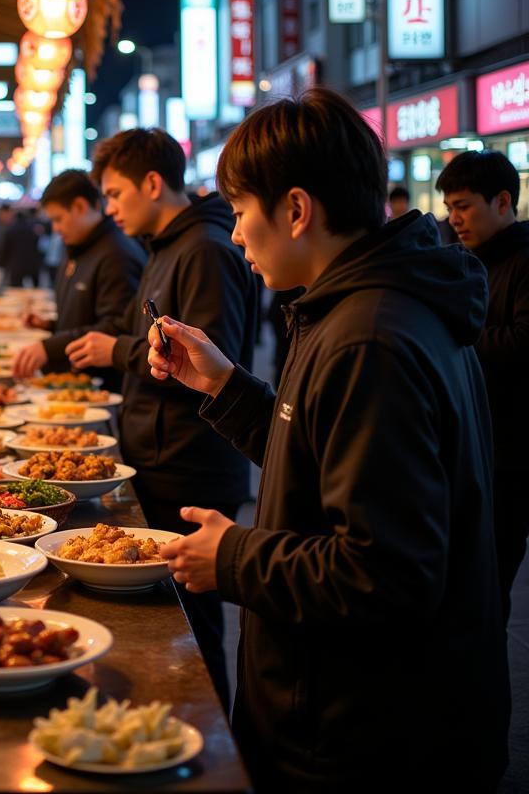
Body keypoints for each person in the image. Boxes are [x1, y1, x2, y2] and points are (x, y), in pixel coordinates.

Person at [146, 89, 509, 792]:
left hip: (369, 739)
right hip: (369, 717)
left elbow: (387, 574)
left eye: (242, 213)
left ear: (297, 210)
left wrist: (235, 555)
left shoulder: (372, 335)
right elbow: (325, 457)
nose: (236, 236)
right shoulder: (362, 305)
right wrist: (228, 387)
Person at [64, 129, 258, 710]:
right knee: (170, 619)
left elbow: (207, 361)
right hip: (156, 451)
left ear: (153, 183)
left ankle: (208, 741)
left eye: (117, 193)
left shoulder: (203, 249)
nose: (111, 208)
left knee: (191, 628)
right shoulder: (164, 244)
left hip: (192, 462)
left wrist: (116, 352)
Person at [438, 149, 529, 623]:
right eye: (450, 207)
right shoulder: (466, 262)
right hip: (475, 445)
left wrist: (457, 336)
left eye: (464, 206)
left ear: (503, 201)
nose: (454, 218)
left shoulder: (522, 261)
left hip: (511, 454)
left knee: (488, 583)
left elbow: (522, 341)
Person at [12, 169, 145, 388]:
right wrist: (50, 325)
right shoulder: (77, 246)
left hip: (101, 388)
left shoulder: (117, 253)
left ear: (80, 206)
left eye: (58, 219)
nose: (55, 228)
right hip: (71, 380)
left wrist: (49, 347)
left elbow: (116, 327)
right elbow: (86, 319)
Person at [0, 205, 42, 287]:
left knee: (16, 291)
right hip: (34, 265)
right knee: (36, 289)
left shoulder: (10, 229)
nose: (1, 218)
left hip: (16, 267)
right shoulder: (32, 226)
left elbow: (4, 250)